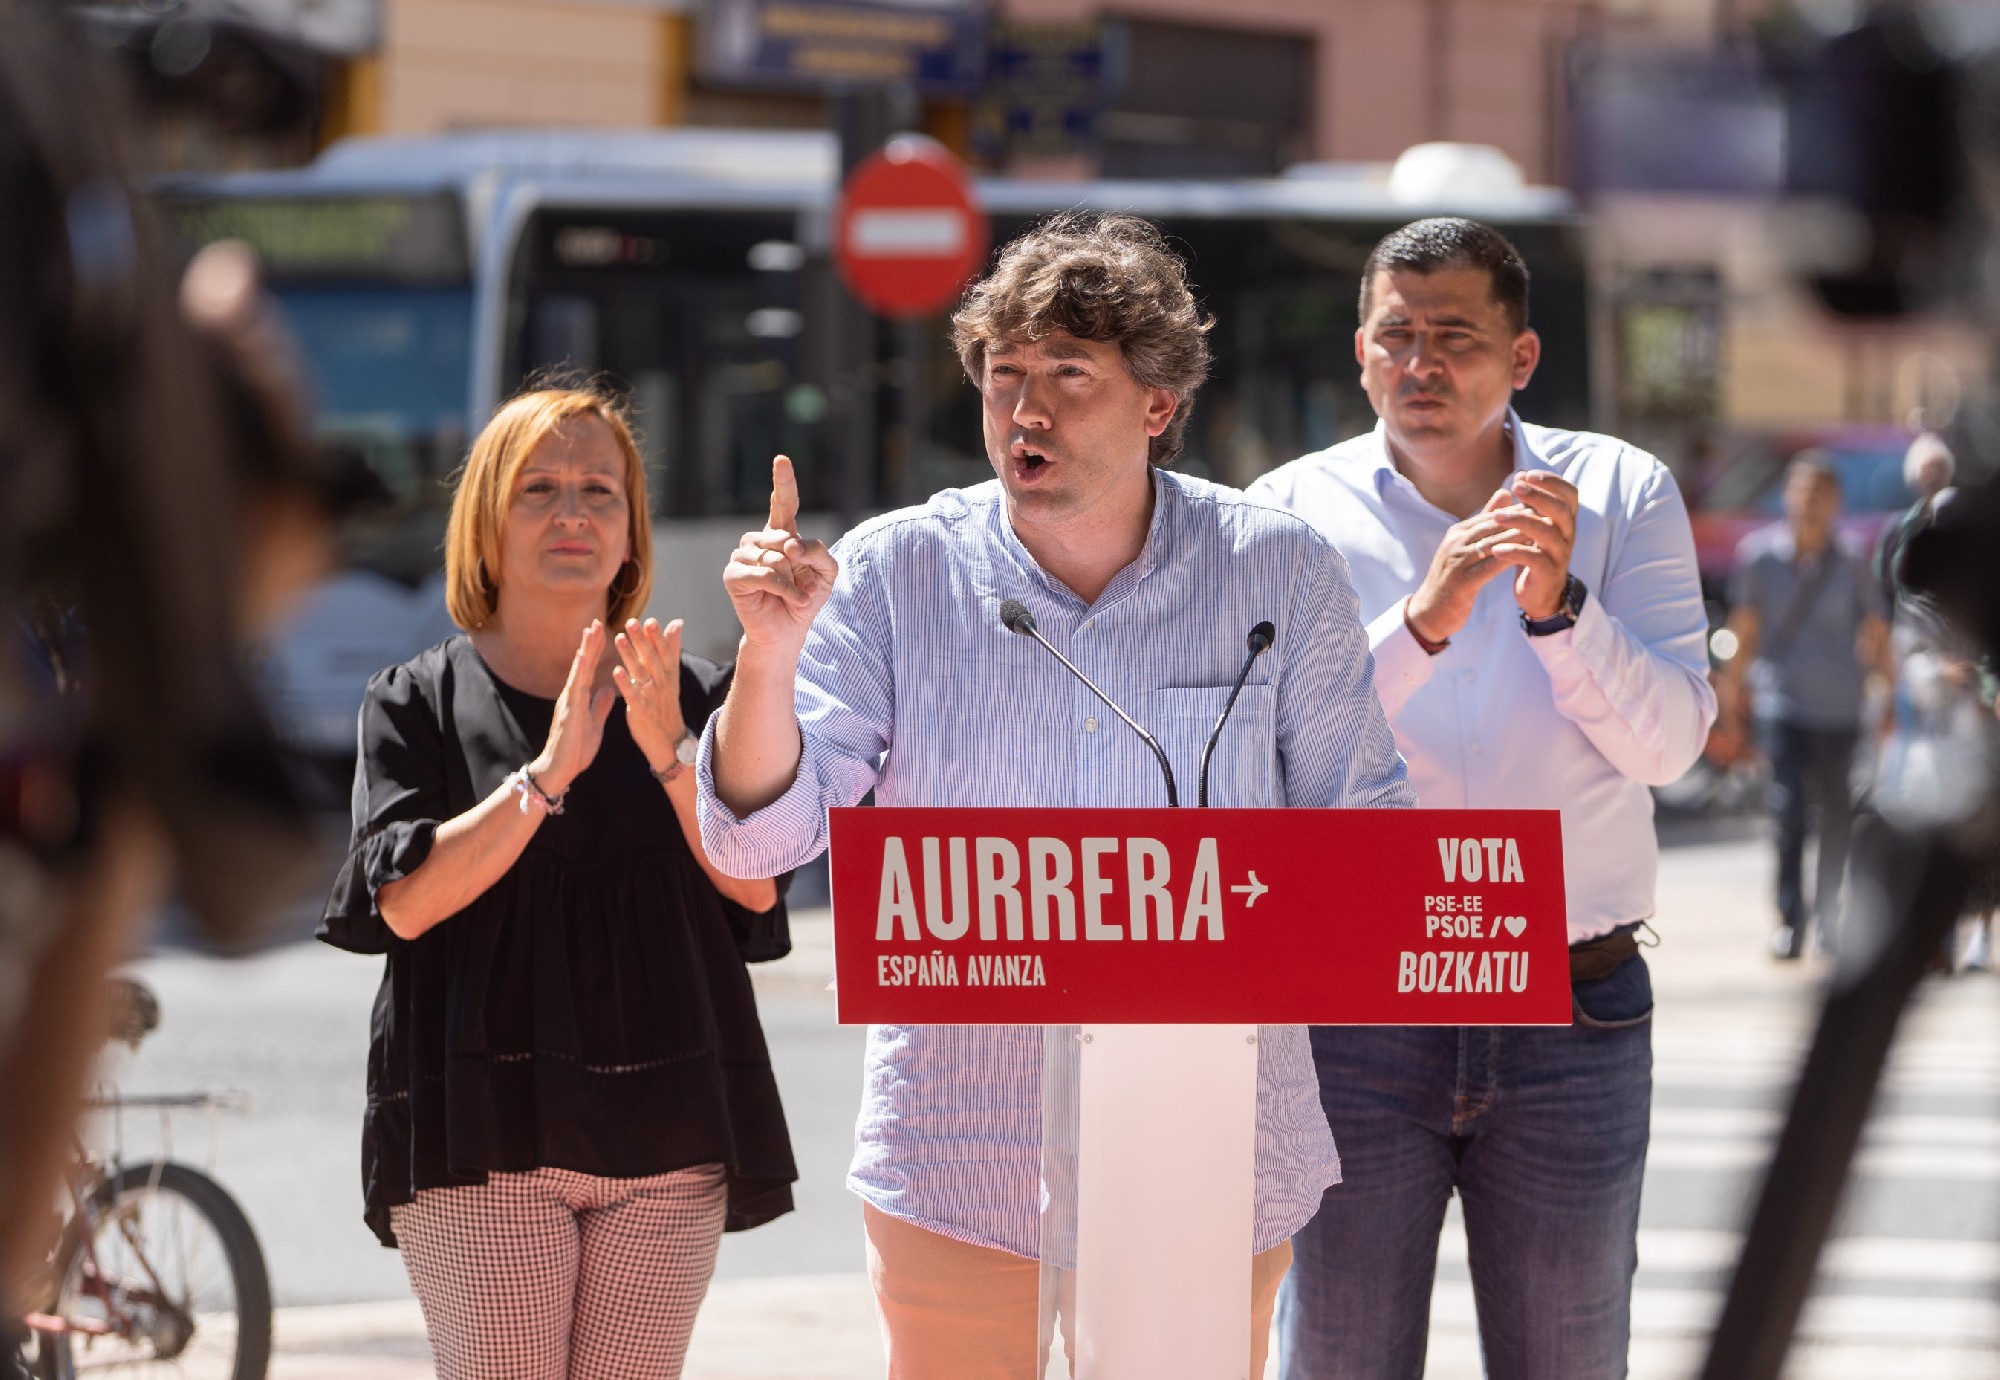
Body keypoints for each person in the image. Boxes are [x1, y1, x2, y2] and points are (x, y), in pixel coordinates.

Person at [695, 212, 1413, 1380]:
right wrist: (769, 658)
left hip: (1207, 1145)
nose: (1024, 411)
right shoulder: (891, 571)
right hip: (960, 1151)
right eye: (1004, 375)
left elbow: (1366, 838)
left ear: (1155, 405)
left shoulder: (1276, 570)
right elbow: (761, 838)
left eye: (1068, 376)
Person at [1248, 216, 1716, 1380]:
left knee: (1567, 1359)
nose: (1420, 364)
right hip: (1356, 1006)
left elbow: (1669, 748)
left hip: (1574, 1006)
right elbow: (1265, 758)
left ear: (1520, 358)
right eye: (1394, 334)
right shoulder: (1279, 515)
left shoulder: (1616, 489)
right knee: (1339, 1357)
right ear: (1358, 352)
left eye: (1452, 335)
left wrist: (1559, 613)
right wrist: (1423, 619)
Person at [318, 386, 797, 1380]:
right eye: (538, 489)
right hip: (480, 1134)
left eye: (597, 490)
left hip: (671, 1128)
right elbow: (400, 900)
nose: (572, 513)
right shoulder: (417, 702)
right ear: (486, 525)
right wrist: (544, 778)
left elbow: (753, 892)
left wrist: (668, 750)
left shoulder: (697, 693)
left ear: (630, 534)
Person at [1721, 453, 1889, 960]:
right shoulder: (1759, 557)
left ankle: (1827, 919)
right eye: (1801, 491)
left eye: (1820, 493)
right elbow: (1744, 630)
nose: (1809, 503)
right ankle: (1789, 920)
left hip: (1841, 707)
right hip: (1783, 704)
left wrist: (1886, 697)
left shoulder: (1855, 559)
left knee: (1837, 818)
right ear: (1787, 496)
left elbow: (1877, 633)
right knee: (1788, 814)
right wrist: (1732, 701)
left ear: (1835, 501)